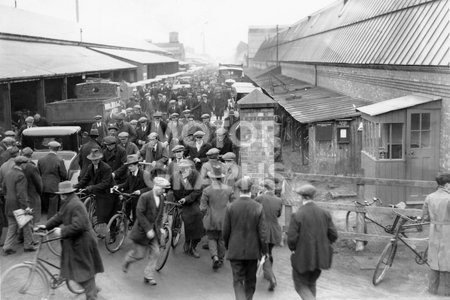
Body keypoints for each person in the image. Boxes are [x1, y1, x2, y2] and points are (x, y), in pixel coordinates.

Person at [40, 181, 104, 300]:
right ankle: (92, 290)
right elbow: (59, 216)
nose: (60, 196)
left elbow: (79, 226)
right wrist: (46, 226)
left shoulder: (76, 205)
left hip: (84, 243)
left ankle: (92, 295)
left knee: (85, 274)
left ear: (65, 194)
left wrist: (62, 232)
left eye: (61, 194)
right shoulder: (68, 202)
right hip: (76, 242)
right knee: (77, 272)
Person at [287, 184, 338, 300]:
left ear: (302, 198)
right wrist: (324, 244)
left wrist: (294, 249)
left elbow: (291, 239)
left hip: (303, 258)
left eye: (299, 197)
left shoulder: (297, 215)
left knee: (300, 286)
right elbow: (334, 235)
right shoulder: (324, 213)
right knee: (311, 283)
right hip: (320, 257)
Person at [223, 176, 268, 300]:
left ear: (238, 190)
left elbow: (225, 231)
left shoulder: (231, 207)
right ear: (251, 189)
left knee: (237, 281)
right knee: (250, 281)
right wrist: (265, 251)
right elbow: (263, 233)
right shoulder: (258, 207)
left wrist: (228, 245)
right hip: (253, 251)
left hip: (235, 249)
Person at [122, 177, 171, 286]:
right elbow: (139, 213)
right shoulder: (145, 197)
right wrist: (148, 229)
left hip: (154, 232)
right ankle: (128, 260)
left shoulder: (162, 198)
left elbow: (160, 215)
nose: (164, 192)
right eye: (163, 189)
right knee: (139, 255)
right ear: (156, 186)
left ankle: (148, 276)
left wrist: (161, 227)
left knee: (156, 253)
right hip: (142, 232)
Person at [199, 164, 234, 270]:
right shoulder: (229, 189)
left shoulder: (207, 190)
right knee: (222, 239)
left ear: (211, 177)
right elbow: (233, 204)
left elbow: (202, 208)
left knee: (211, 238)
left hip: (211, 219)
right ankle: (221, 259)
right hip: (225, 219)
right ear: (221, 177)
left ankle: (214, 257)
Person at [422, 173, 450, 296]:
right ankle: (447, 293)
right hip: (448, 231)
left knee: (434, 259)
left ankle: (432, 291)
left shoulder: (429, 197)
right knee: (448, 259)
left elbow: (425, 217)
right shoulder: (449, 198)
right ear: (447, 185)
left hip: (434, 231)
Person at [169, 159, 203, 258]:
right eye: (182, 168)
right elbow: (169, 186)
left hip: (191, 201)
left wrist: (187, 199)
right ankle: (185, 239)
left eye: (186, 168)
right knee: (184, 218)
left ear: (190, 168)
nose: (184, 170)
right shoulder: (175, 175)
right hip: (178, 201)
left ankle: (193, 246)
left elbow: (198, 191)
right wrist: (164, 189)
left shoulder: (196, 175)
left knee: (196, 216)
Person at [2, 156, 36, 255]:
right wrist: (26, 208)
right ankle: (28, 245)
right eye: (25, 164)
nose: (26, 165)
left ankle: (7, 247)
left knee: (12, 226)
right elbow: (21, 194)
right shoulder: (21, 175)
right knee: (27, 224)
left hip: (8, 204)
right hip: (18, 205)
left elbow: (4, 188)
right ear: (22, 164)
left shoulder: (8, 173)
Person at [255, 179, 283, 291]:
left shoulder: (259, 198)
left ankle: (270, 276)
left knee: (262, 253)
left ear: (265, 188)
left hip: (262, 230)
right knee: (269, 252)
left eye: (261, 187)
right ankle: (268, 272)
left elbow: (254, 212)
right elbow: (279, 214)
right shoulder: (279, 200)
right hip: (274, 230)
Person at [74, 149, 114, 225]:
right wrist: (76, 187)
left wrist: (92, 187)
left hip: (108, 193)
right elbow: (85, 179)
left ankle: (112, 232)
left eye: (96, 160)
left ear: (99, 159)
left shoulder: (106, 168)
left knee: (107, 214)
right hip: (98, 191)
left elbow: (105, 183)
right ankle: (98, 228)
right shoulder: (90, 167)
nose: (94, 161)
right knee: (98, 214)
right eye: (92, 160)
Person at [114, 154, 151, 226]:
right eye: (128, 166)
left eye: (131, 166)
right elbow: (126, 184)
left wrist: (140, 191)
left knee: (137, 216)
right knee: (122, 203)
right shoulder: (130, 174)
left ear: (137, 165)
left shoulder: (145, 174)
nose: (129, 168)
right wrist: (117, 187)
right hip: (133, 197)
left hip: (142, 199)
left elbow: (150, 188)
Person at [37, 141, 68, 219]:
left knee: (46, 208)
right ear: (58, 149)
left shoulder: (41, 160)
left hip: (43, 186)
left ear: (49, 148)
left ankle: (45, 223)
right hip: (54, 187)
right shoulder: (59, 160)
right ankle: (50, 224)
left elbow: (38, 173)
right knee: (53, 210)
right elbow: (64, 174)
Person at [22, 147, 43, 223]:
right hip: (32, 195)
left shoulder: (18, 166)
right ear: (31, 155)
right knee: (33, 219)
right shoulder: (32, 167)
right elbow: (38, 183)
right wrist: (40, 192)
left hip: (22, 195)